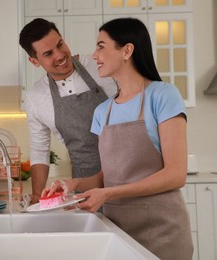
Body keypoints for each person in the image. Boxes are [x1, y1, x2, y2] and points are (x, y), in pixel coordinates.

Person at [42, 17, 193, 260]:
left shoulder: (163, 96)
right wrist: (74, 185)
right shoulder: (103, 111)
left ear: (127, 50)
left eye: (101, 46)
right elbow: (107, 176)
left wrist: (109, 194)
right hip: (116, 230)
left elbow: (176, 174)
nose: (94, 55)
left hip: (162, 231)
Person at [19, 18, 117, 203]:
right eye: (48, 53)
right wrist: (38, 197)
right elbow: (40, 150)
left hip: (125, 173)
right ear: (34, 61)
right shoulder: (35, 97)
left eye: (60, 44)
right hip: (85, 187)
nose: (60, 55)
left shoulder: (100, 66)